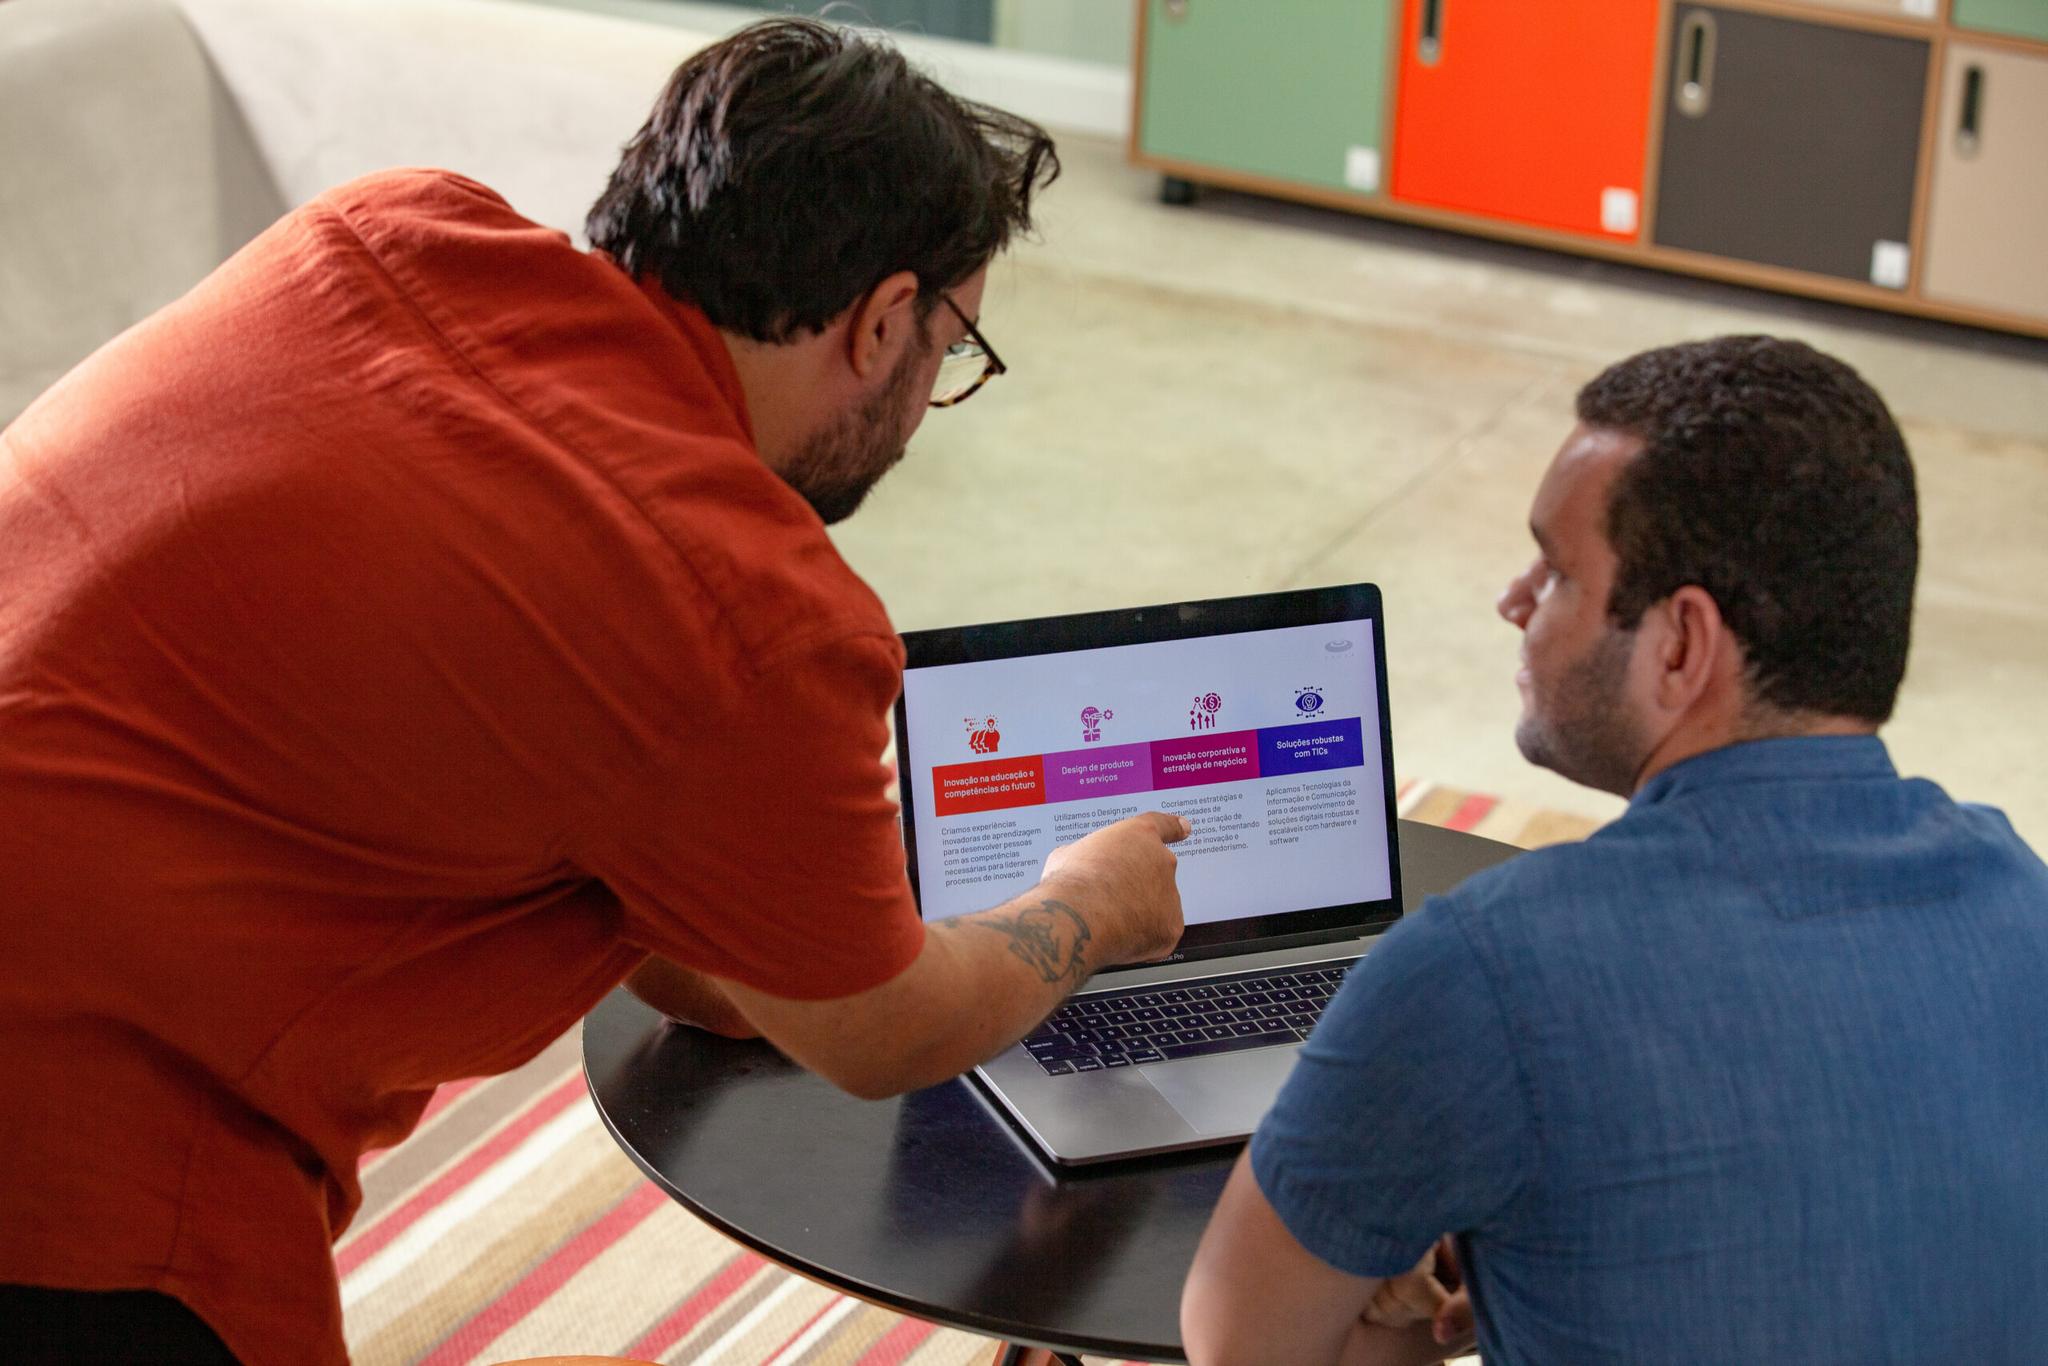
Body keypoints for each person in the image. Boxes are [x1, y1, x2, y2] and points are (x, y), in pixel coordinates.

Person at [0, 19, 1189, 1366]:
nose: (929, 401)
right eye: (953, 350)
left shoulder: (385, 231)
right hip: (67, 1172)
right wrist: (1088, 901)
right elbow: (885, 1031)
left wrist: (798, 927)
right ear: (881, 322)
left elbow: (630, 844)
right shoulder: (744, 612)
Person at [1180, 335, 2048, 1365]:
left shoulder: (1486, 966)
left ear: (1678, 646)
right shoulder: (2019, 900)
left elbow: (1238, 1343)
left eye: (1555, 570)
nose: (1513, 598)